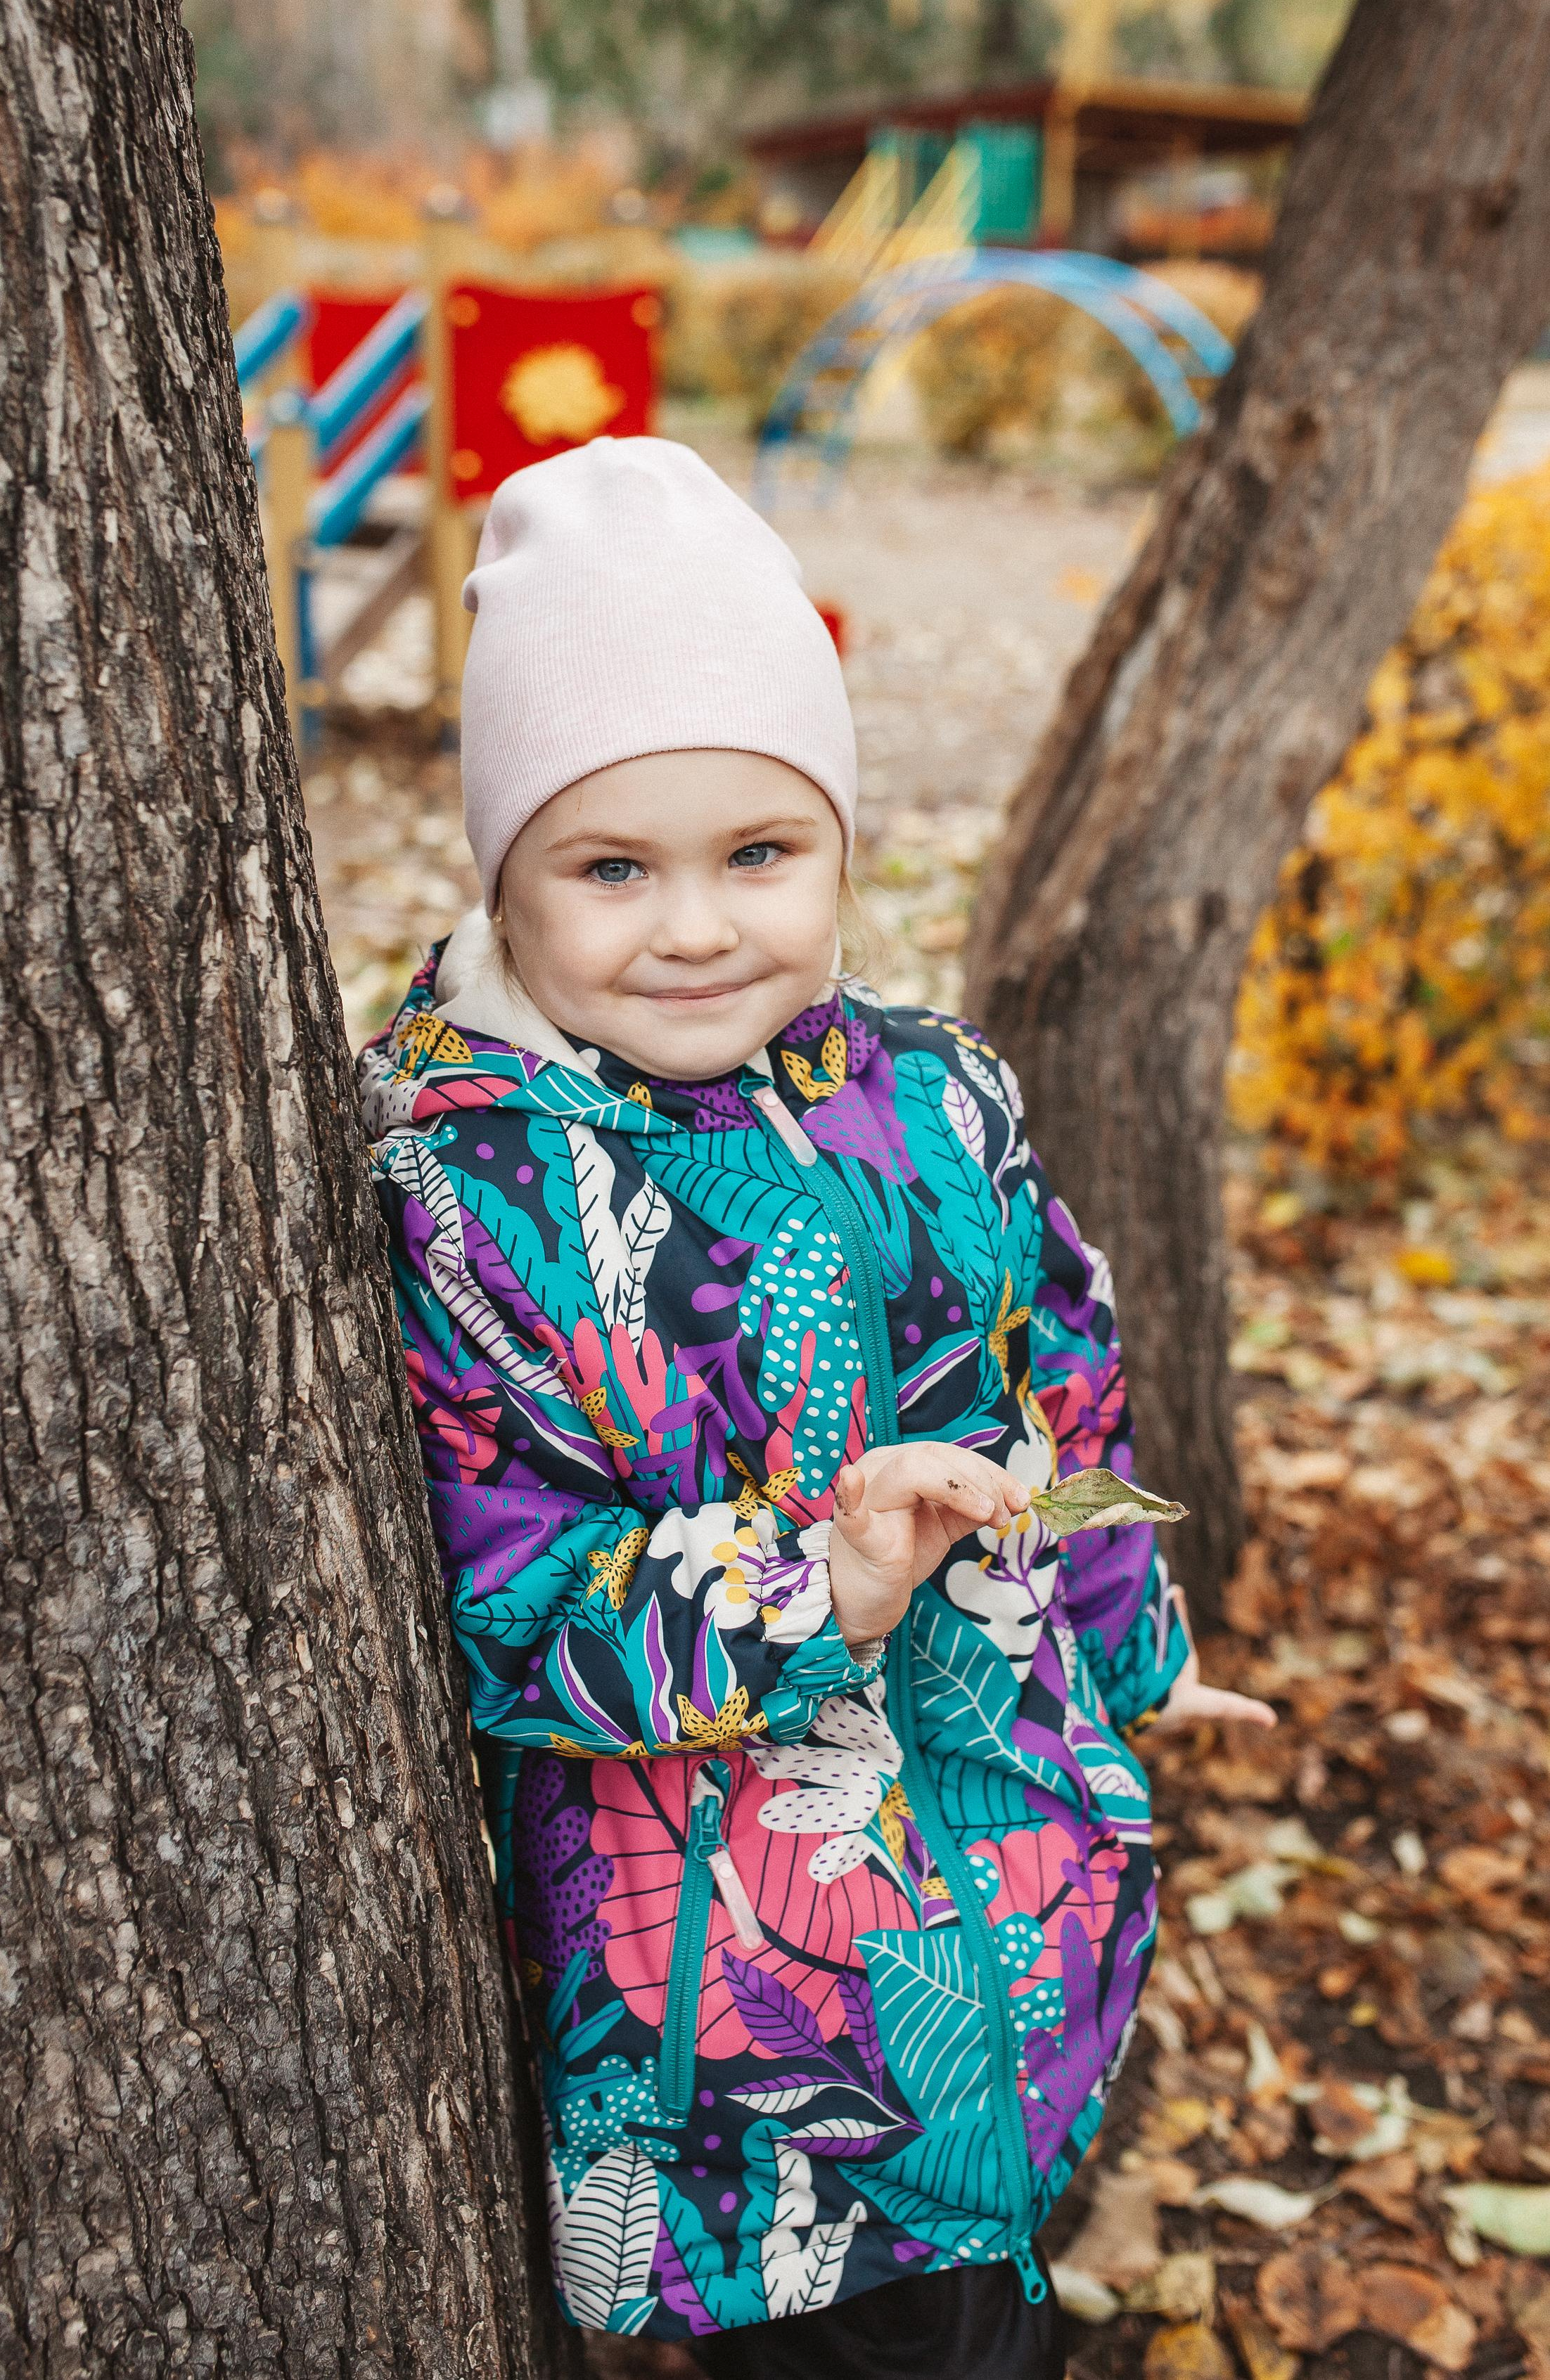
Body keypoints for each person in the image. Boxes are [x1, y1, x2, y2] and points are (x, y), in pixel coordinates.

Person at [359, 437, 1272, 2376]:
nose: (696, 927)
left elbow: (1063, 1360)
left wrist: (1126, 1638)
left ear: (841, 847)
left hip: (1012, 1892)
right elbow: (496, 1585)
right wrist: (813, 1594)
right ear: (505, 875)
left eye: (759, 854)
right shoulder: (476, 1186)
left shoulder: (936, 1093)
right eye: (613, 866)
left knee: (995, 2288)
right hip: (753, 2034)